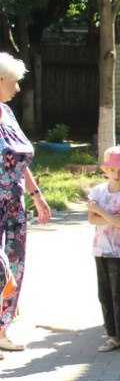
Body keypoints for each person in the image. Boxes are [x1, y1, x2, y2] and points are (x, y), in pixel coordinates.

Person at [0, 52, 51, 353]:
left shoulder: (7, 113)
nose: (19, 89)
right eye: (15, 82)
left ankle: (2, 329)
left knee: (16, 265)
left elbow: (20, 159)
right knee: (2, 267)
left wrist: (36, 194)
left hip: (15, 202)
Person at [87, 146, 120, 355]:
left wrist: (100, 210)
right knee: (104, 293)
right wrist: (114, 218)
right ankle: (112, 335)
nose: (117, 175)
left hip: (119, 250)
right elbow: (91, 220)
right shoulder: (98, 191)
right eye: (113, 170)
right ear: (106, 170)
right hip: (100, 249)